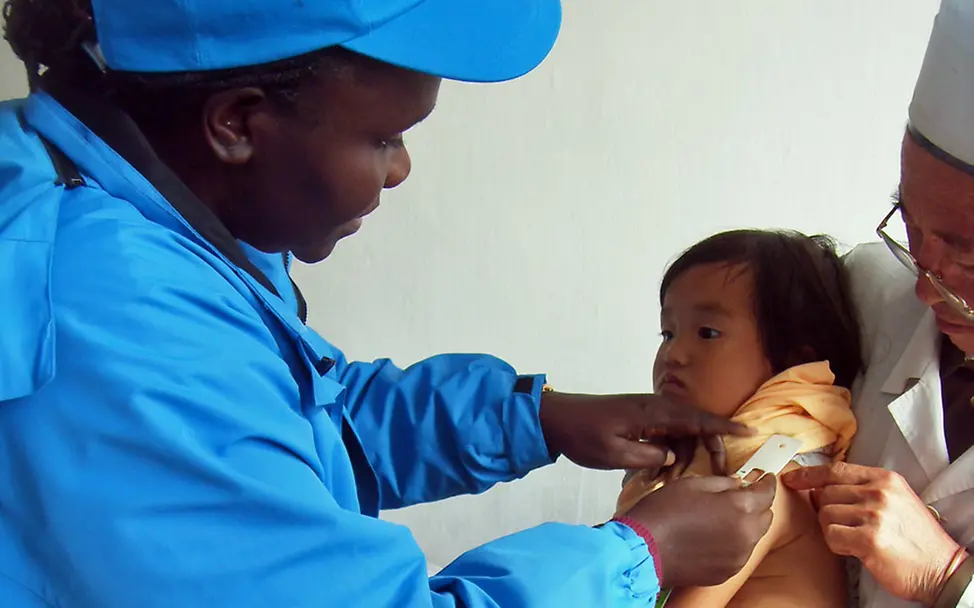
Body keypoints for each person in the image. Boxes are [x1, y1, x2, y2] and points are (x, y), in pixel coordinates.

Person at [0, 1, 779, 607]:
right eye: (383, 138)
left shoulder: (148, 216)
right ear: (237, 122)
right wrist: (642, 555)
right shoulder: (111, 322)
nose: (401, 169)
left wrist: (537, 419)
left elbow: (295, 426)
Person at [781, 1, 974, 606]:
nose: (925, 286)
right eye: (912, 228)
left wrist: (947, 577)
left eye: (966, 253)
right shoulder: (865, 289)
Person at [614, 230, 861, 607]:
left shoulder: (769, 485)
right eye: (668, 333)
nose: (674, 354)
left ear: (793, 359)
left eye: (707, 333)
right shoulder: (674, 469)